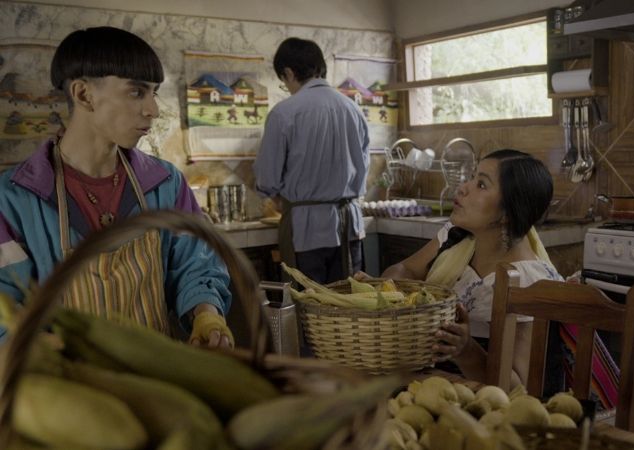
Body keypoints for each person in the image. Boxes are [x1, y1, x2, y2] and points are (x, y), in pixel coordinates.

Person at [0, 26, 233, 348]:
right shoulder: (13, 199)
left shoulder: (166, 184)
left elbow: (197, 264)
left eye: (153, 92)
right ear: (83, 95)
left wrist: (206, 312)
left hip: (157, 378)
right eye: (137, 92)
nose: (153, 109)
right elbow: (5, 311)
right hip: (62, 385)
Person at [381, 149, 619, 407]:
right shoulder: (457, 238)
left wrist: (467, 349)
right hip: (430, 387)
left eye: (481, 184)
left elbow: (516, 390)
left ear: (506, 214)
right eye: (472, 178)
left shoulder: (528, 282)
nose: (463, 188)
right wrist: (384, 292)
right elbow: (405, 270)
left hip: (481, 410)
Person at [254, 37, 370, 284]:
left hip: (306, 231)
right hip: (350, 226)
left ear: (288, 73)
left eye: (284, 82)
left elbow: (267, 178)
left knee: (308, 309)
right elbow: (363, 168)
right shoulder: (354, 110)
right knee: (349, 308)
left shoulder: (284, 113)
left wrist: (273, 196)